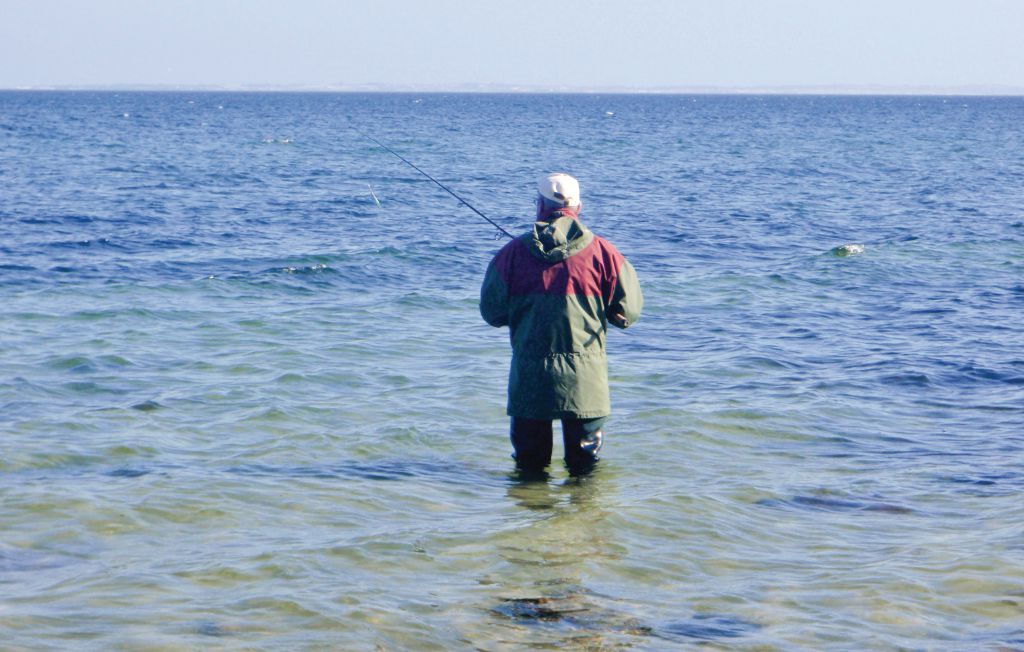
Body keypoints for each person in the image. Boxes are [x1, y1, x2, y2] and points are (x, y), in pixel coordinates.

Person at [480, 173, 643, 474]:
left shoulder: (511, 255)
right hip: (585, 384)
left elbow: (492, 314)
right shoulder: (606, 255)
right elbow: (628, 314)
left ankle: (534, 519)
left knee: (529, 473)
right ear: (577, 208)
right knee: (586, 475)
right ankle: (582, 520)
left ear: (540, 206)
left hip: (530, 383)